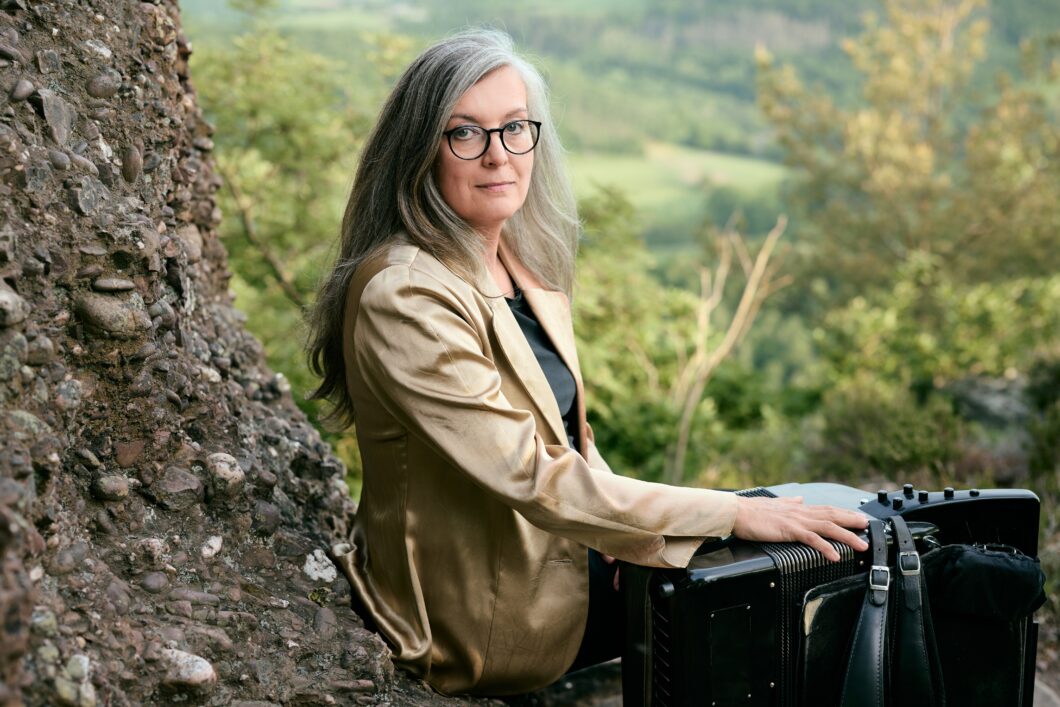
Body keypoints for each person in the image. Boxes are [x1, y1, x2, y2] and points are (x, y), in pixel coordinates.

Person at [304, 29, 869, 698]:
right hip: (475, 608)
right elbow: (531, 470)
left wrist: (632, 537)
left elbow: (571, 441)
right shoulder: (406, 292)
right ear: (420, 150)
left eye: (515, 128)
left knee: (803, 566)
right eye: (465, 134)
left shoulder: (517, 260)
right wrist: (726, 513)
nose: (498, 156)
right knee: (752, 593)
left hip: (556, 551)